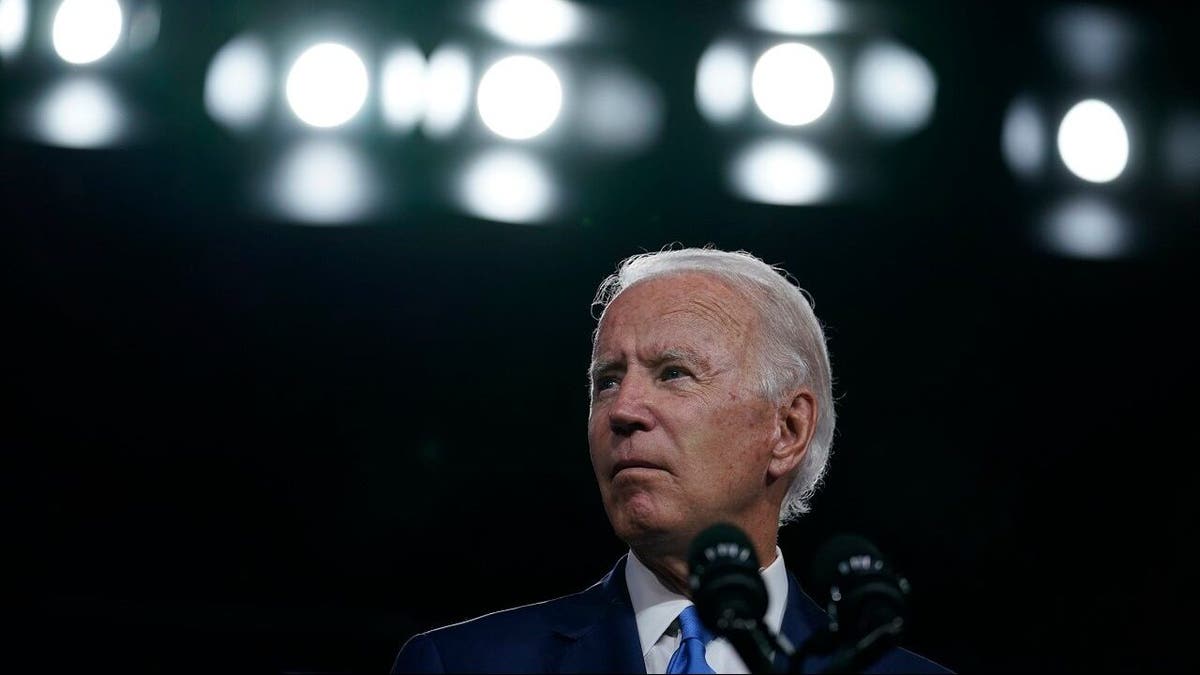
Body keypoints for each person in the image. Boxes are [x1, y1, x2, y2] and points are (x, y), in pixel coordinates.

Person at [392, 247, 949, 674]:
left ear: (788, 429)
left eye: (673, 374)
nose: (623, 410)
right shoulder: (464, 664)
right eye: (606, 382)